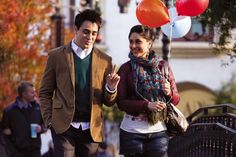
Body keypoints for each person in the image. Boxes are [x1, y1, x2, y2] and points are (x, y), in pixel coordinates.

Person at [39, 9, 120, 157]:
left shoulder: (105, 60)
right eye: (86, 32)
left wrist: (111, 88)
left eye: (94, 33)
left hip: (91, 129)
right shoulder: (56, 56)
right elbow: (45, 92)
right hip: (63, 127)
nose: (90, 37)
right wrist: (49, 121)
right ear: (75, 29)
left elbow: (109, 102)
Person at [116, 25, 180, 157]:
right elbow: (121, 103)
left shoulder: (163, 67)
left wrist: (169, 92)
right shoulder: (125, 68)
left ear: (149, 44)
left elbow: (176, 100)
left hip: (159, 131)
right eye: (131, 41)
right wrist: (147, 105)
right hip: (131, 131)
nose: (133, 46)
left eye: (138, 41)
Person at [1, 81, 46, 157]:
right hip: (17, 153)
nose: (35, 94)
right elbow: (4, 133)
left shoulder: (38, 107)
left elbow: (46, 124)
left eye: (34, 92)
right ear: (24, 94)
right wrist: (11, 150)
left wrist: (41, 128)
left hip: (35, 152)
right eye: (32, 92)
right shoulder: (9, 111)